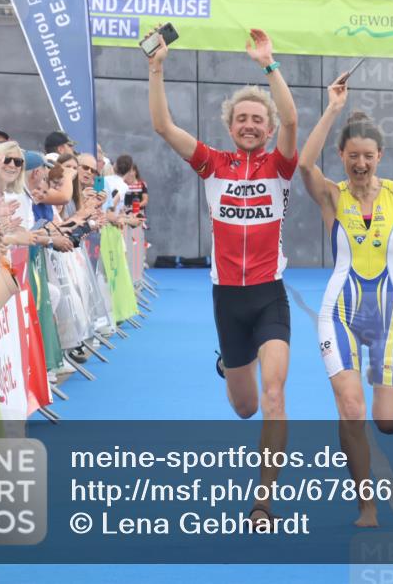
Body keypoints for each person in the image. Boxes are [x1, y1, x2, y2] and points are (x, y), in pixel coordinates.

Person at [146, 26, 297, 529]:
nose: (250, 125)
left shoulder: (280, 164)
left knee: (275, 396)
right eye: (242, 119)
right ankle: (231, 364)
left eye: (258, 119)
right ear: (230, 126)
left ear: (268, 127)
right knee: (246, 408)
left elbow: (294, 117)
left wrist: (268, 65)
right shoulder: (213, 164)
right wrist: (157, 65)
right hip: (226, 300)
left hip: (269, 296)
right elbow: (164, 127)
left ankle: (263, 500)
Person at [298, 76, 393, 527]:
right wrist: (331, 109)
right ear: (343, 158)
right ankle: (366, 502)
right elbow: (304, 164)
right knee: (351, 408)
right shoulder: (332, 194)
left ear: (380, 157)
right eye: (353, 157)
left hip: (391, 316)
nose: (361, 164)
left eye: (368, 157)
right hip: (340, 313)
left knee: (388, 422)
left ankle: (371, 454)